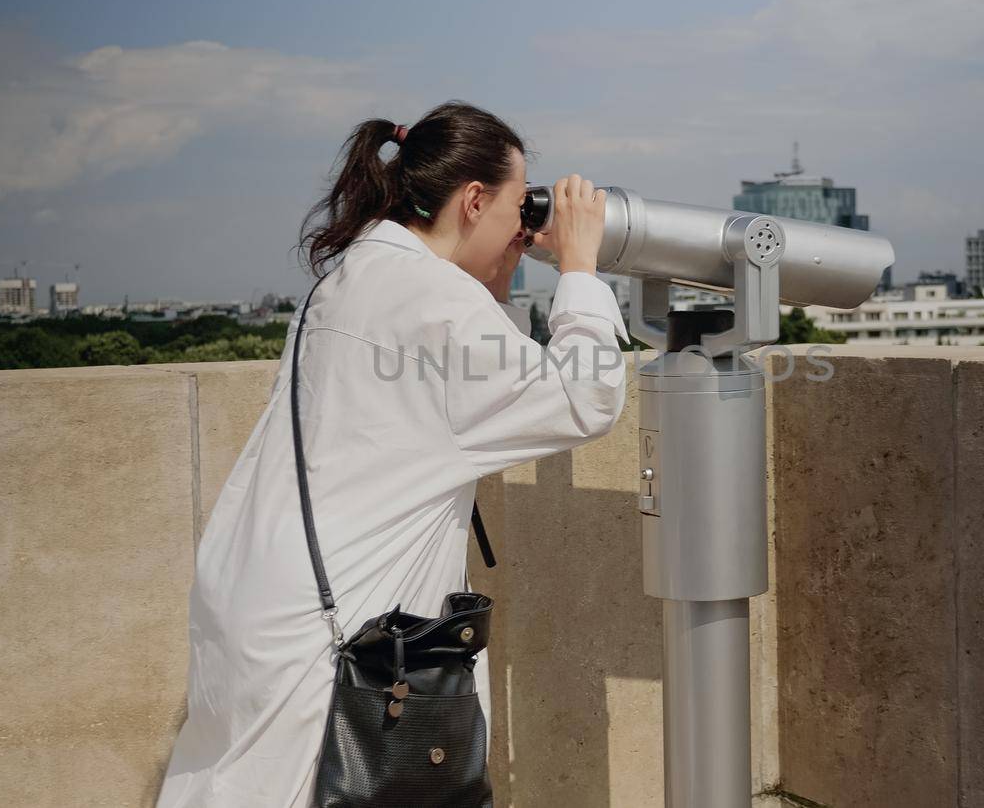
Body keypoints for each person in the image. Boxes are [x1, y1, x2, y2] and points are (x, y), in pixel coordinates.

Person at [155, 101, 629, 807]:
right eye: (515, 210)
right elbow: (584, 396)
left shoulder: (356, 275)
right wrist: (581, 265)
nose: (522, 232)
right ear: (473, 200)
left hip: (261, 594)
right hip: (341, 622)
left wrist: (497, 277)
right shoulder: (430, 298)